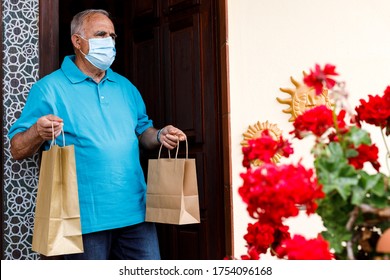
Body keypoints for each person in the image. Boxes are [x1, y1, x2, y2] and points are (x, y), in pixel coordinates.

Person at [8, 9, 186, 260]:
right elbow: (17, 149)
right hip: (81, 220)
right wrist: (38, 131)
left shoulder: (126, 87)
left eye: (112, 36)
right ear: (77, 42)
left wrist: (159, 136)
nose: (109, 42)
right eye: (101, 34)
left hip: (136, 213)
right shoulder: (48, 88)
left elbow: (143, 132)